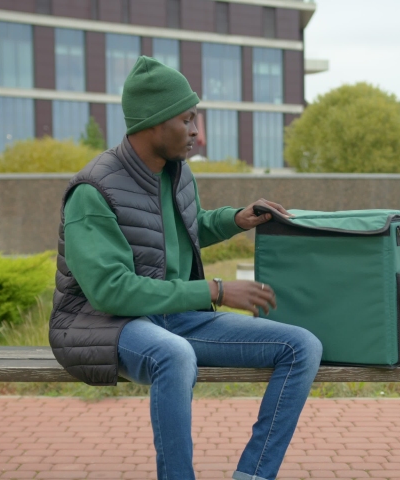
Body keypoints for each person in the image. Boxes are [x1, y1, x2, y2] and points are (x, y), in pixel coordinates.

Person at [49, 56, 323, 480]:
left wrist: (236, 218)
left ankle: (252, 475)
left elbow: (181, 231)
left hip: (175, 316)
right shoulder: (93, 191)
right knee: (174, 355)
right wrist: (214, 291)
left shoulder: (177, 175)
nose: (198, 131)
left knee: (302, 345)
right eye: (188, 119)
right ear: (154, 123)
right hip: (103, 323)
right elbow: (110, 291)